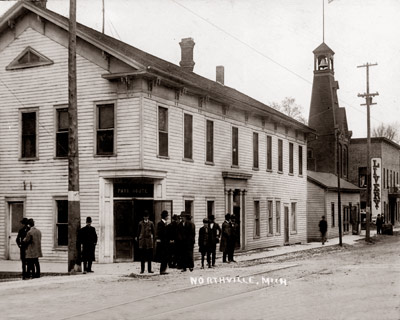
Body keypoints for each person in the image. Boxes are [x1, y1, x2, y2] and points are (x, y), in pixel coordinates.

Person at [156, 210, 169, 275]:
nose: (167, 217)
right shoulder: (160, 224)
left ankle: (164, 269)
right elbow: (160, 233)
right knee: (163, 256)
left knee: (166, 256)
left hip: (166, 242)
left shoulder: (166, 223)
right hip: (163, 243)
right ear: (165, 216)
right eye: (167, 216)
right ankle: (162, 270)